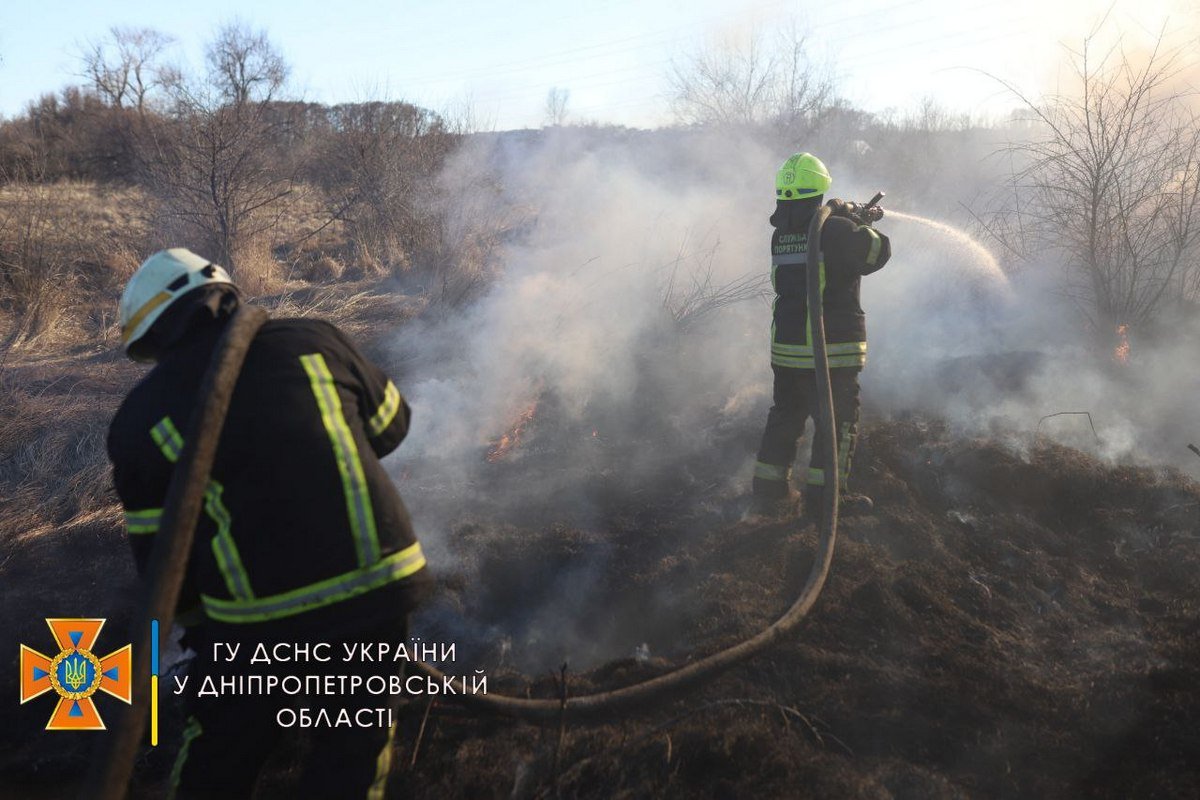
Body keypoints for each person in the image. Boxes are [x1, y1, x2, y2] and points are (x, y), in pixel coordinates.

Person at [107, 248, 432, 799]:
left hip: (254, 626)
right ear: (225, 294)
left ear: (156, 336)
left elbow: (162, 562)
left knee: (220, 749)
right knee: (351, 750)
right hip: (375, 594)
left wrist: (200, 631)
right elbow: (390, 426)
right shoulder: (317, 342)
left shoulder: (142, 418)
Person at [751, 153, 892, 518]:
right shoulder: (835, 229)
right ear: (821, 187)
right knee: (837, 423)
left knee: (786, 416)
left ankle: (768, 492)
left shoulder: (782, 235)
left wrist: (851, 219)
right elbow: (878, 252)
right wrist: (860, 223)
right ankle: (825, 499)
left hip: (787, 349)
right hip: (829, 350)